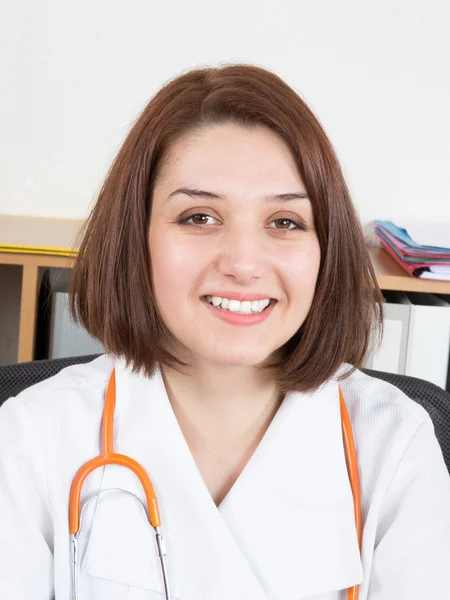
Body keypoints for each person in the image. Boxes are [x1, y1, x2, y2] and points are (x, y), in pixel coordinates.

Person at [1, 63, 449, 600]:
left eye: (284, 222)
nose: (243, 263)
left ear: (325, 251)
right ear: (134, 237)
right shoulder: (34, 436)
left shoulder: (395, 445)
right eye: (198, 217)